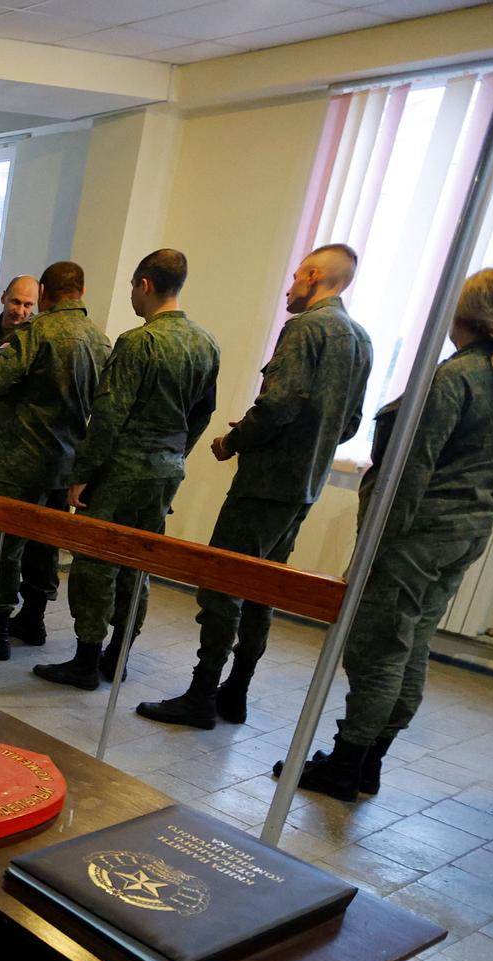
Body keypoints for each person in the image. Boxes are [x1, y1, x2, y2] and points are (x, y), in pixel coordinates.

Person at [276, 268, 493, 800]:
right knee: (414, 643)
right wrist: (481, 518)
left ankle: (346, 765)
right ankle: (369, 760)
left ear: (462, 312)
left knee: (379, 650)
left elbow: (410, 470)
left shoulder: (453, 378)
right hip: (464, 533)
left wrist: (374, 547)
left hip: (413, 536)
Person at [138, 243, 373, 729]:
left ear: (313, 275)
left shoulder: (305, 328)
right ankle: (235, 691)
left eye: (294, 278)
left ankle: (203, 694)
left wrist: (234, 440)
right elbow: (349, 423)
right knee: (264, 588)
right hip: (304, 486)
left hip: (265, 483)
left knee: (224, 584)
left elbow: (280, 403)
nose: (290, 288)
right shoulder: (361, 340)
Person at [36, 249, 220, 690]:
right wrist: (174, 452)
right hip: (165, 472)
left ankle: (85, 659)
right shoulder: (205, 343)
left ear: (145, 285)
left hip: (121, 473)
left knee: (96, 563)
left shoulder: (139, 342)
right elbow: (203, 413)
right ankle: (118, 655)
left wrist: (84, 473)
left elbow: (109, 415)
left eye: (132, 289)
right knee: (139, 563)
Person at [0, 261, 109, 660]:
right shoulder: (100, 340)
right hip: (65, 464)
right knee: (45, 549)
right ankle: (33, 620)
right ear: (81, 293)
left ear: (47, 295)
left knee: (3, 547)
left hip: (21, 462)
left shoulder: (35, 334)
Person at [0, 275, 39, 348]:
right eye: (15, 302)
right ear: (3, 297)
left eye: (27, 305)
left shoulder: (38, 339)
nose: (19, 311)